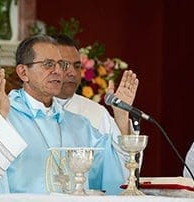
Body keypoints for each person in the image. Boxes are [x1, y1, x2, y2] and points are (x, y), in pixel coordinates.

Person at [0, 35, 124, 195]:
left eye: (61, 64)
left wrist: (121, 117)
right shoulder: (2, 119)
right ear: (23, 72)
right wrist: (1, 116)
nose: (58, 71)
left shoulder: (79, 125)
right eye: (48, 64)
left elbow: (112, 170)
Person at [52, 34, 139, 179]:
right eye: (65, 65)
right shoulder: (27, 109)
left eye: (77, 66)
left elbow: (124, 172)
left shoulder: (95, 112)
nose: (72, 73)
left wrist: (121, 116)